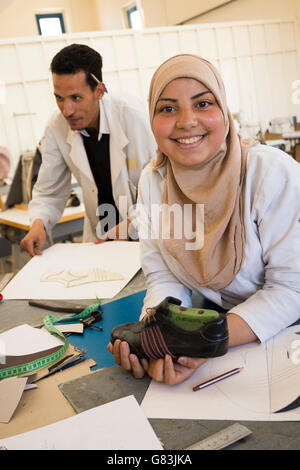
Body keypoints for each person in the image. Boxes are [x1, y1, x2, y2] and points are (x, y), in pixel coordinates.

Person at [108, 54, 300, 385]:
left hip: (286, 331)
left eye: (203, 104)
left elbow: (291, 289)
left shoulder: (269, 173)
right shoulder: (155, 181)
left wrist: (201, 343)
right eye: (167, 108)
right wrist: (160, 343)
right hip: (223, 325)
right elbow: (164, 277)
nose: (186, 121)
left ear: (224, 111)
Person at [20, 44, 156, 256]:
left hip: (145, 236)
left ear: (99, 91)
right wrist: (39, 223)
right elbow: (49, 190)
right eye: (59, 98)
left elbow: (163, 189)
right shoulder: (56, 127)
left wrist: (131, 225)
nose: (67, 110)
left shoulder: (134, 118)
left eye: (76, 98)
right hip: (101, 237)